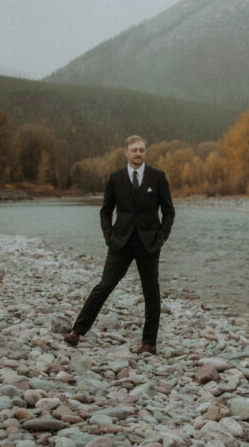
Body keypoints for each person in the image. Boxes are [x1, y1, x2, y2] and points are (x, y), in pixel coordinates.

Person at [64, 135, 175, 355]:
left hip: (149, 244)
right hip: (120, 242)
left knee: (151, 292)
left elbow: (169, 211)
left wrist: (161, 237)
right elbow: (105, 211)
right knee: (104, 285)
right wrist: (109, 236)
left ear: (145, 152)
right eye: (134, 150)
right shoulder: (115, 179)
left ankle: (149, 343)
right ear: (125, 152)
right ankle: (77, 331)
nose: (138, 153)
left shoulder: (158, 177)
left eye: (142, 150)